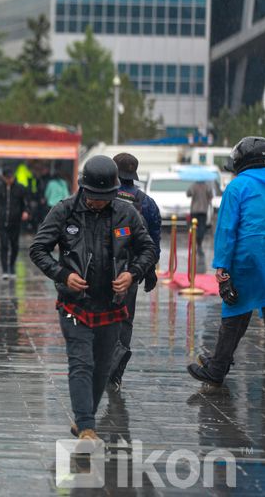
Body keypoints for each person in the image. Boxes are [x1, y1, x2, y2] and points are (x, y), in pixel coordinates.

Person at [29, 156, 157, 441]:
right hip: (75, 303)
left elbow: (148, 249)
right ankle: (86, 426)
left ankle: (84, 419)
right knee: (81, 362)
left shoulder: (127, 214)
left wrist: (133, 273)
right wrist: (63, 275)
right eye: (93, 196)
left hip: (112, 304)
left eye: (104, 197)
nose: (97, 202)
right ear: (83, 188)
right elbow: (38, 249)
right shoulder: (64, 211)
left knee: (102, 366)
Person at [187, 136, 265, 387]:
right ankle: (218, 362)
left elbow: (226, 230)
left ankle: (217, 368)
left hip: (247, 258)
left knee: (235, 310)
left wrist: (222, 268)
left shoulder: (238, 186)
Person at [108, 153, 161, 390]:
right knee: (125, 320)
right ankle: (116, 372)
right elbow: (153, 243)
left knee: (98, 316)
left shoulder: (100, 195)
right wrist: (149, 271)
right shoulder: (146, 203)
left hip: (101, 267)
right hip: (131, 272)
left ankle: (102, 362)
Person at [0, 168, 29, 279]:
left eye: (10, 178)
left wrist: (26, 211)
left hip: (15, 221)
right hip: (1, 221)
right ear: (3, 177)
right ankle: (4, 270)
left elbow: (25, 203)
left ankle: (11, 266)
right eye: (7, 178)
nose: (9, 180)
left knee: (14, 245)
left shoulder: (20, 188)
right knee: (4, 245)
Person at [187, 179, 213, 252]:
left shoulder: (193, 186)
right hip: (203, 210)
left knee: (194, 226)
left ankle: (195, 240)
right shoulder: (207, 186)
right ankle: (199, 242)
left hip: (194, 209)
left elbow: (188, 194)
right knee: (202, 226)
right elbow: (211, 196)